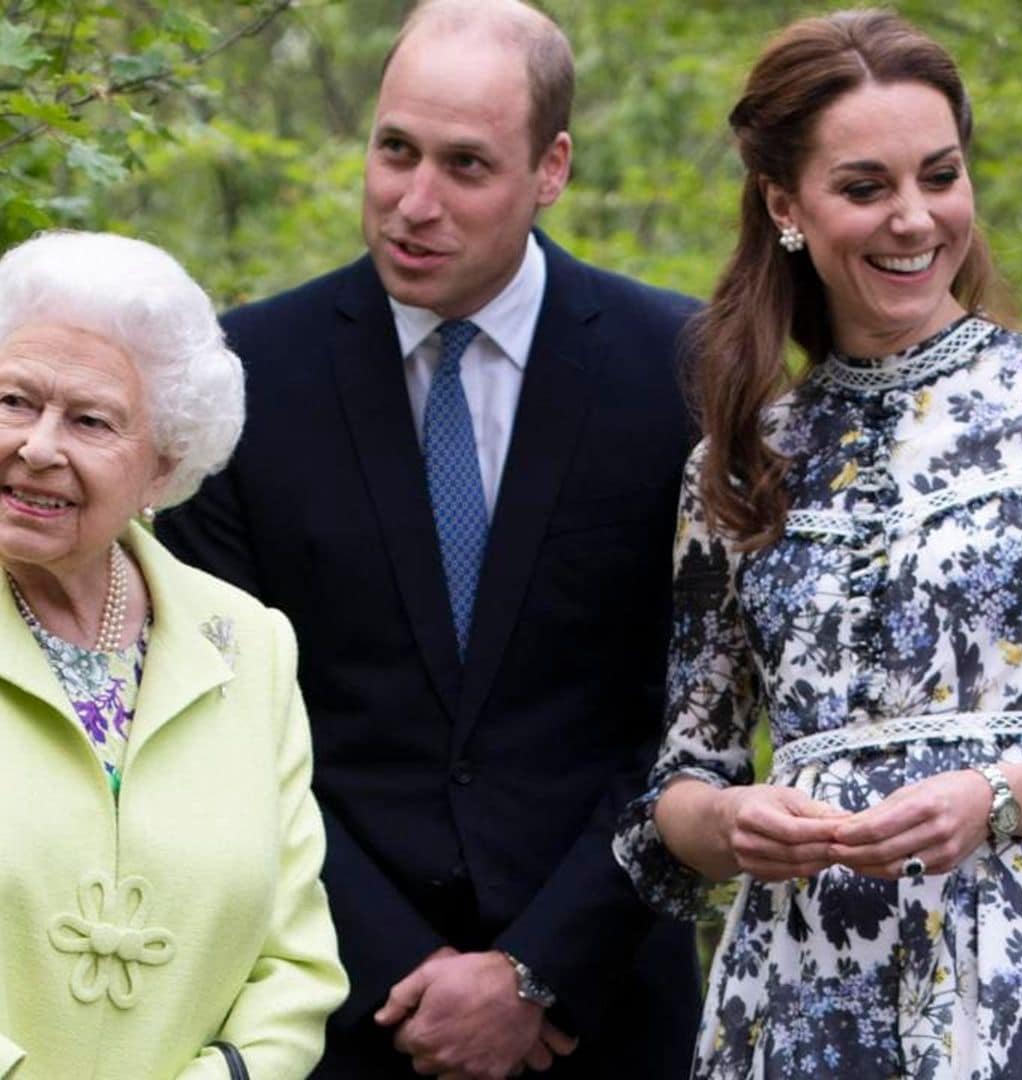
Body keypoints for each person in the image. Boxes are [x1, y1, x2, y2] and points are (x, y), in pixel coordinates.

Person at [156, 0, 701, 1077]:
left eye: (465, 166)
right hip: (333, 1009)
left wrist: (541, 969)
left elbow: (694, 715)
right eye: (394, 150)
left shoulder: (682, 368)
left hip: (604, 1008)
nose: (414, 203)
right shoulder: (238, 379)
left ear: (551, 169)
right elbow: (219, 721)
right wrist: (402, 972)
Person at [614, 9, 1022, 1079]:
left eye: (941, 175)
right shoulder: (736, 463)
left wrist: (997, 800)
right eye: (866, 188)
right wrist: (733, 822)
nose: (914, 220)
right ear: (786, 204)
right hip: (794, 990)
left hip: (1016, 979)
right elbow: (681, 783)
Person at [0, 229, 347, 1080]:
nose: (40, 446)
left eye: (89, 419)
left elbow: (295, 963)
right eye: (14, 401)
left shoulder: (248, 643)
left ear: (163, 468)